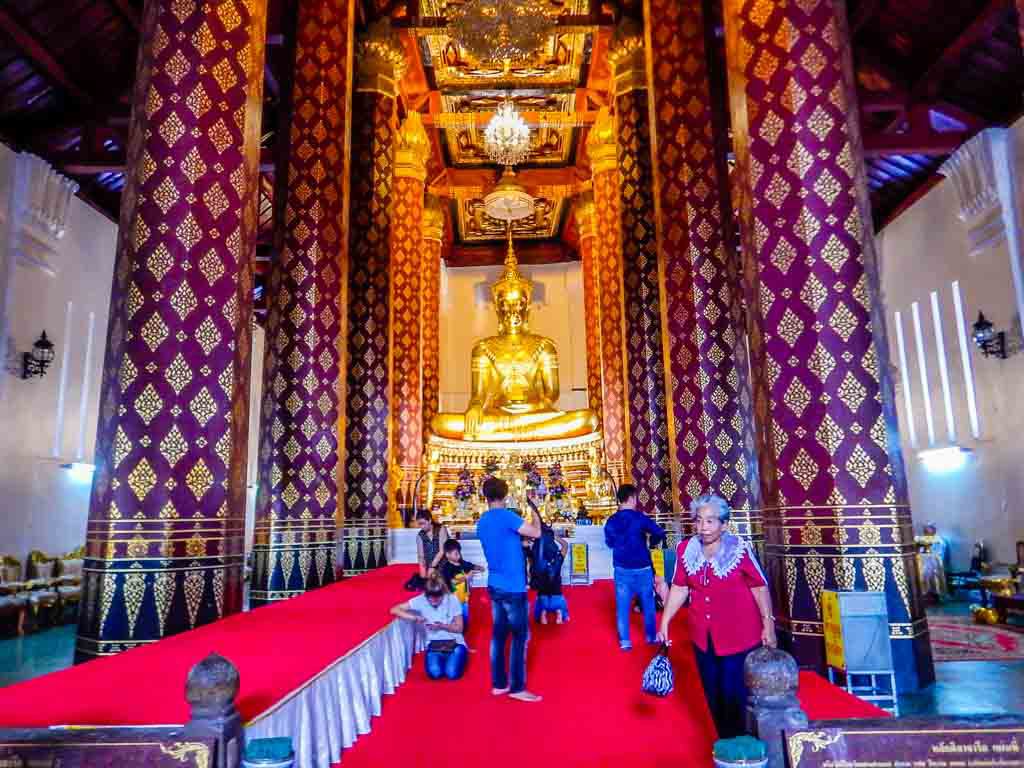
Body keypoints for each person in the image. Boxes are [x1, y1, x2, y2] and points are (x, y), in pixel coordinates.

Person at [659, 494, 776, 739]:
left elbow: (759, 586)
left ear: (724, 524)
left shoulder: (739, 549)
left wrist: (768, 624)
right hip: (703, 636)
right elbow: (680, 587)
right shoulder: (685, 550)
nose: (703, 527)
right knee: (712, 692)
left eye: (711, 521)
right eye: (699, 521)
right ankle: (725, 741)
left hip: (740, 635)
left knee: (734, 693)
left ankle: (744, 745)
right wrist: (665, 621)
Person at [476, 476, 543, 702]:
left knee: (498, 635)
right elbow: (536, 533)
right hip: (513, 586)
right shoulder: (507, 517)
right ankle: (517, 687)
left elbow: (503, 542)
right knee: (519, 636)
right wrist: (535, 510)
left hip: (494, 583)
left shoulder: (482, 521)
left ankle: (498, 684)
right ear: (505, 495)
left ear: (485, 496)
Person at [603, 483, 666, 650]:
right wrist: (650, 543)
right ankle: (651, 637)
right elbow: (659, 532)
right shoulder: (639, 518)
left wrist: (621, 545)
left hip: (622, 568)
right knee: (648, 604)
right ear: (631, 498)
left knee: (622, 607)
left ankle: (625, 641)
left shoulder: (611, 521)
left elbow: (609, 543)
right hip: (643, 568)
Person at [390, 576, 468, 680]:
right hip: (434, 645)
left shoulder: (452, 599)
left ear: (442, 594)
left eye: (437, 598)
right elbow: (395, 609)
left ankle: (457, 656)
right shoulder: (420, 600)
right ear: (426, 595)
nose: (433, 601)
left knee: (452, 674)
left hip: (455, 643)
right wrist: (414, 617)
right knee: (435, 674)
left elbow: (459, 628)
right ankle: (445, 659)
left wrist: (442, 626)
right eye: (430, 598)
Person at [528, 503, 569, 624]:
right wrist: (555, 537)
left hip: (543, 598)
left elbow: (530, 567)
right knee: (559, 596)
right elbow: (565, 545)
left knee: (541, 597)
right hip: (557, 597)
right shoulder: (557, 558)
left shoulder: (535, 556)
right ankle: (560, 613)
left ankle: (543, 613)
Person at [438, 538, 484, 629]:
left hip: (464, 599)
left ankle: (463, 634)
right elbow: (452, 581)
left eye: (459, 553)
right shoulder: (446, 568)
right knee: (455, 621)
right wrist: (466, 577)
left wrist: (479, 568)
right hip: (453, 600)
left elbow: (471, 565)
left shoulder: (461, 563)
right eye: (456, 554)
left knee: (465, 621)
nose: (459, 556)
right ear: (447, 554)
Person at [415, 510, 450, 581]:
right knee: (424, 582)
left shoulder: (441, 529)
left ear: (430, 520)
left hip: (443, 564)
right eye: (419, 524)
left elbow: (442, 551)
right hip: (429, 565)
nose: (421, 527)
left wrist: (432, 566)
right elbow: (421, 556)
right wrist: (423, 575)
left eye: (423, 523)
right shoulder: (420, 535)